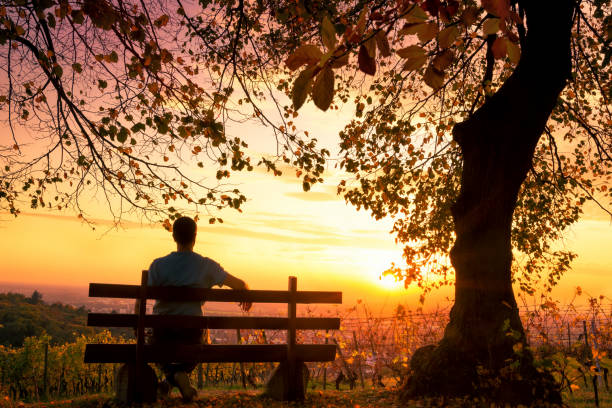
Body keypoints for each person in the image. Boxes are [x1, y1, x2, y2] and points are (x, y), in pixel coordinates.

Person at [146, 216, 251, 402]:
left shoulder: (157, 265)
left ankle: (170, 380)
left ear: (174, 237)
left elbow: (141, 299)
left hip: (162, 334)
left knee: (152, 340)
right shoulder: (207, 266)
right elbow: (238, 284)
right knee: (201, 339)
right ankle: (176, 376)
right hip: (192, 334)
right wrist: (246, 291)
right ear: (195, 237)